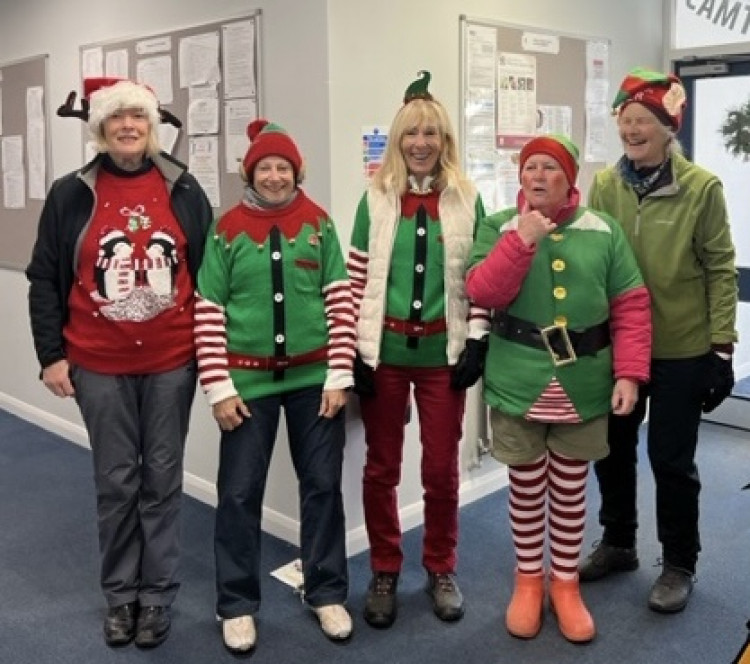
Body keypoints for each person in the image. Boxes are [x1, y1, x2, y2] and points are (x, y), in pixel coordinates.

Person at [26, 77, 212, 648]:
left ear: (151, 125)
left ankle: (156, 597)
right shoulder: (69, 193)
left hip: (171, 362)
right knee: (115, 481)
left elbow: (209, 279)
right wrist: (51, 356)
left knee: (161, 479)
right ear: (101, 128)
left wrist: (211, 355)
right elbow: (44, 279)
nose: (128, 126)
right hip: (96, 363)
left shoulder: (183, 187)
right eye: (117, 118)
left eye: (137, 116)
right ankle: (120, 595)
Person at [465, 134, 652, 643]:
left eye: (550, 168)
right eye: (531, 168)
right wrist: (520, 239)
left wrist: (630, 373)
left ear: (569, 177)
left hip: (585, 380)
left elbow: (631, 306)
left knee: (569, 489)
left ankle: (565, 584)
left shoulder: (603, 229)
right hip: (517, 377)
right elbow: (483, 291)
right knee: (526, 488)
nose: (538, 176)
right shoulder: (499, 225)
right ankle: (529, 581)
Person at [579, 67, 738, 613]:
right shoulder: (605, 185)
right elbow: (591, 259)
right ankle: (619, 542)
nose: (632, 129)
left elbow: (720, 269)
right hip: (621, 344)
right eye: (626, 120)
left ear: (668, 127)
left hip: (681, 346)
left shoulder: (701, 189)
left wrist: (722, 348)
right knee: (613, 450)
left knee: (670, 458)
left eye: (644, 119)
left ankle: (679, 563)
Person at [194, 119, 356, 653]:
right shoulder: (226, 230)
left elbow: (339, 301)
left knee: (323, 487)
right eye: (264, 167)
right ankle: (236, 604)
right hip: (246, 386)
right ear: (251, 173)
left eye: (282, 167)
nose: (274, 176)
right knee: (239, 493)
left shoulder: (319, 224)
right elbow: (209, 310)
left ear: (295, 172)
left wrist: (339, 374)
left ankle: (326, 589)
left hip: (315, 382)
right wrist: (218, 386)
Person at [347, 71, 490, 629]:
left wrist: (476, 339)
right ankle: (385, 567)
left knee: (440, 468)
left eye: (431, 133)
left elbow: (477, 280)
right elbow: (357, 279)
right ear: (399, 141)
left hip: (440, 359)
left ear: (445, 140)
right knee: (380, 467)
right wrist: (353, 351)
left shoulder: (466, 199)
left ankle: (440, 565)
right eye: (412, 134)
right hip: (383, 355)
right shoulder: (376, 200)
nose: (421, 143)